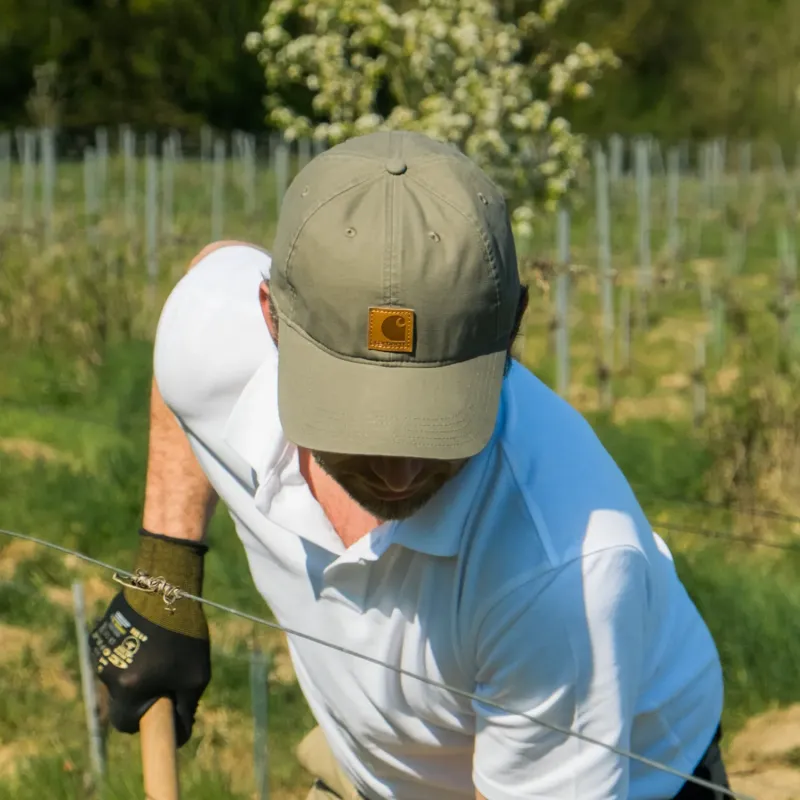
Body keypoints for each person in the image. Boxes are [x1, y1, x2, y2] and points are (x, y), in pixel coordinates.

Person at [89, 130, 730, 800]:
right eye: (354, 422)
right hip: (389, 765)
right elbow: (207, 282)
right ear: (272, 322)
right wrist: (166, 573)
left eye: (434, 428)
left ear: (512, 327)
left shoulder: (563, 570)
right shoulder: (216, 338)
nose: (396, 476)